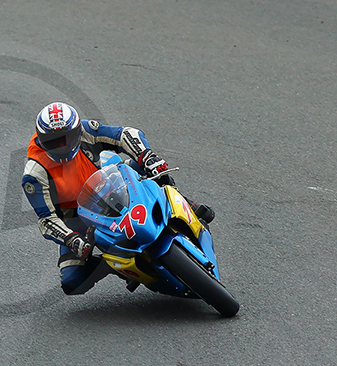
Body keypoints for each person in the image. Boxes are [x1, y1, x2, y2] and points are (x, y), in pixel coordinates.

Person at [22, 102, 215, 295]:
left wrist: (146, 155)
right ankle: (113, 263)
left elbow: (125, 134)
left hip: (107, 184)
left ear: (76, 132)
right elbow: (47, 220)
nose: (61, 146)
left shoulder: (86, 130)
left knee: (148, 167)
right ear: (41, 138)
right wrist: (72, 239)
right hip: (76, 218)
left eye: (66, 139)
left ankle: (185, 202)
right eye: (53, 141)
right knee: (72, 282)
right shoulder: (34, 174)